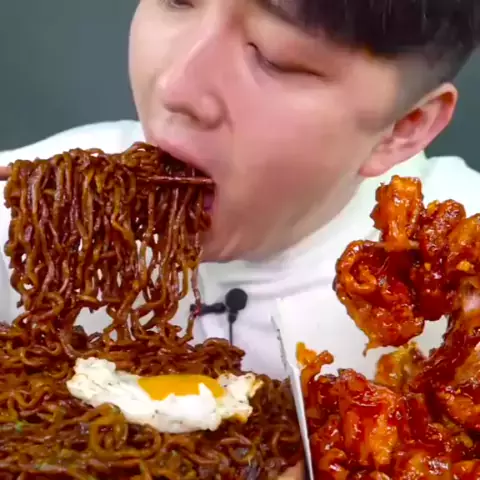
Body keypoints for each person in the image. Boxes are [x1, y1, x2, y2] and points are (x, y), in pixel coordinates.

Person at [0, 0, 479, 463]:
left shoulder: (456, 271)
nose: (175, 86)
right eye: (176, 2)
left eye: (275, 55)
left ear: (403, 127)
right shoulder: (40, 208)